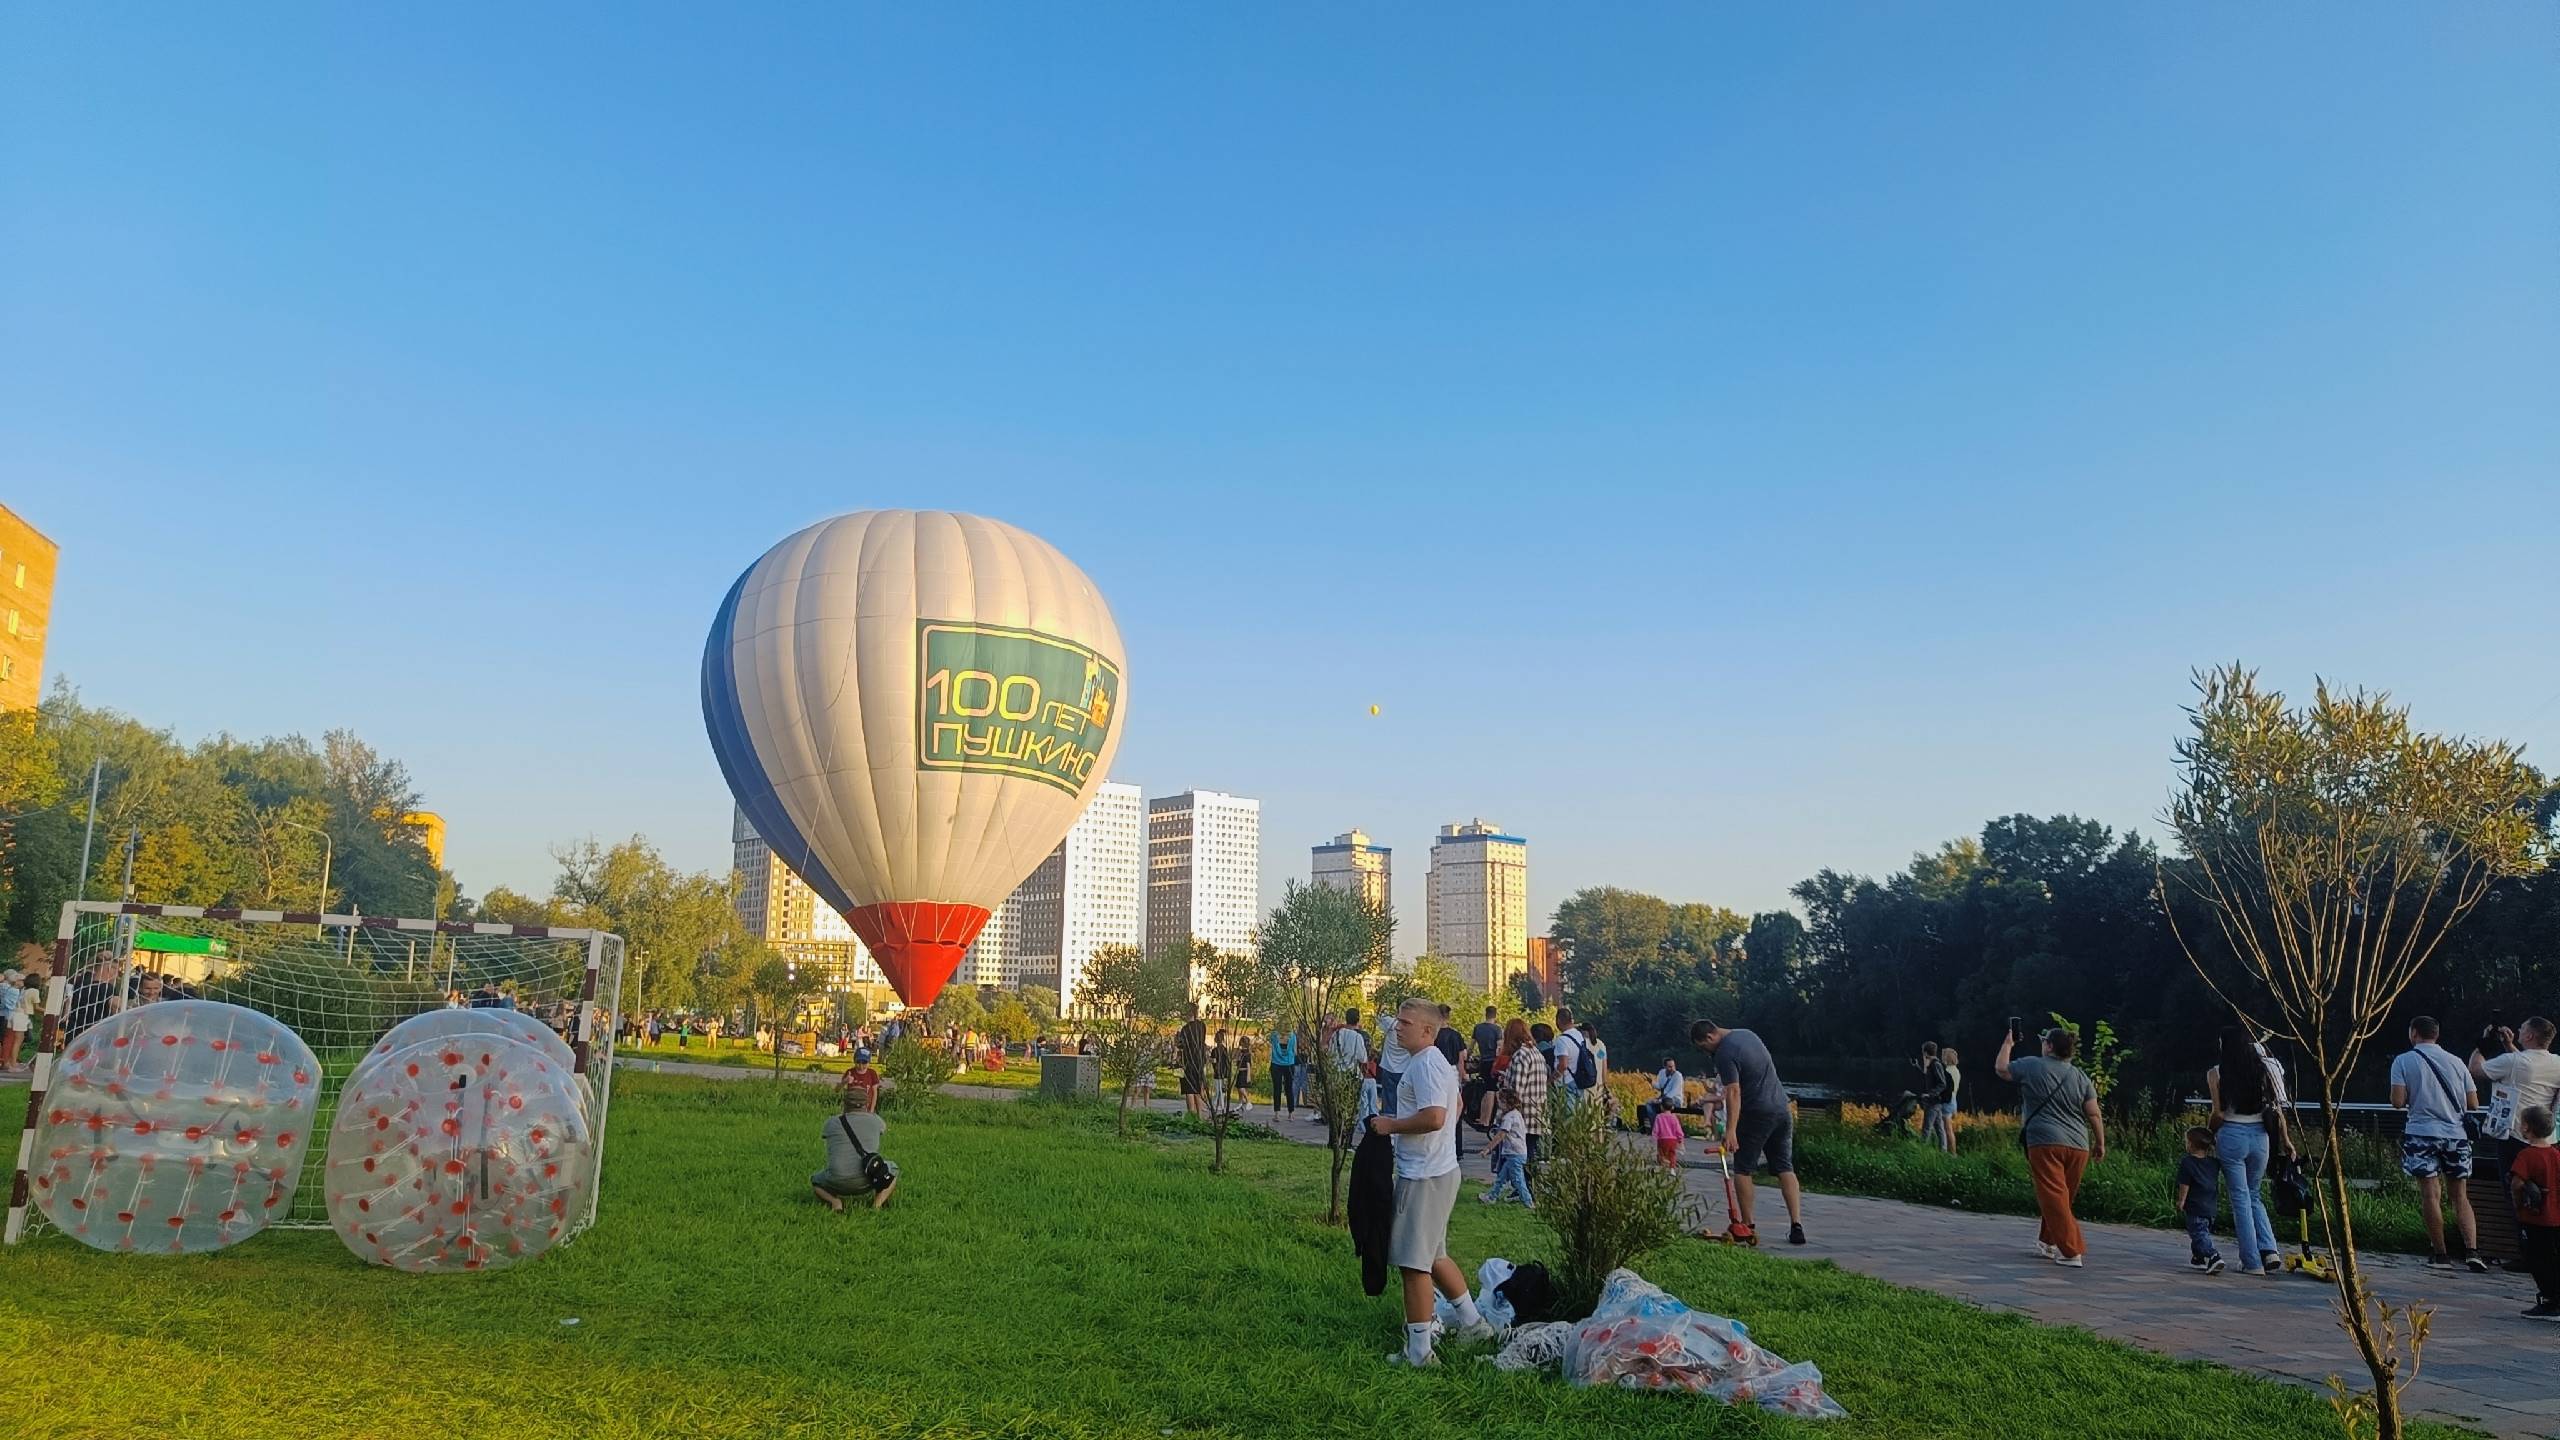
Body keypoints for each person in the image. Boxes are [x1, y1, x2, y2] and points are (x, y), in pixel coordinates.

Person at [1365, 998, 1494, 1367]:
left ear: (1426, 1030)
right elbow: (1456, 1106)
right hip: (1441, 1169)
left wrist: (1391, 1125)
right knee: (1435, 1256)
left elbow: (1436, 1117)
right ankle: (1474, 1325)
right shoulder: (1437, 1062)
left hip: (1423, 1175)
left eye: (1405, 1023)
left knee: (1413, 1264)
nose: (1397, 1028)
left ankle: (1419, 1353)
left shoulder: (1423, 1065)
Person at [1690, 1019, 1808, 1245]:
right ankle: (1796, 1225)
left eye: (1703, 1047)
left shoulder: (1725, 1053)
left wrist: (1731, 1130)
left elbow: (1733, 1093)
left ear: (1710, 1037)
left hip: (1756, 1113)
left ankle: (1747, 1225)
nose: (1706, 1053)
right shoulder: (1748, 1034)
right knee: (1785, 1166)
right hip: (1781, 1108)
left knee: (1743, 1169)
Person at [1997, 1023, 2105, 1268]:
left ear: (2048, 1046)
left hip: (2045, 1141)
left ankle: (2071, 1251)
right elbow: (2094, 1113)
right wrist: (2101, 1142)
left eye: (2044, 1041)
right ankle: (2048, 1242)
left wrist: (2008, 1043)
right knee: (2061, 1197)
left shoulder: (2033, 1065)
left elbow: (2002, 1069)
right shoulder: (2080, 1075)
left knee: (2054, 1195)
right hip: (2079, 1145)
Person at [2392, 1015, 2486, 1271]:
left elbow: (2398, 1101)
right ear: (2436, 1034)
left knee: (2431, 1194)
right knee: (2460, 1196)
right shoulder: (2456, 1062)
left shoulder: (2403, 1061)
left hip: (2422, 1132)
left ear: (2413, 1033)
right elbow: (2473, 1104)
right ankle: (2472, 1251)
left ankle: (2441, 1254)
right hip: (2457, 1135)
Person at [2207, 1025, 2294, 1277]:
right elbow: (2277, 1108)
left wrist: (2208, 1132)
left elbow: (2218, 1113)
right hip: (2261, 1137)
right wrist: (2286, 1139)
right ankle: (2270, 1250)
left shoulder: (2217, 1073)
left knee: (2240, 1198)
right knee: (2254, 1194)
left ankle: (2251, 1261)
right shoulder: (2264, 1069)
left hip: (2232, 1135)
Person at [2476, 1018, 2560, 1182]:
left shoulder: (2513, 1061)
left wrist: (2483, 1044)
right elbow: (2525, 1065)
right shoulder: (2557, 1062)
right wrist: (2508, 1045)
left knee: (2515, 1191)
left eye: (2522, 1028)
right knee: (2542, 1191)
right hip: (2546, 1139)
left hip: (2516, 1135)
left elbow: (2476, 1070)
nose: (2518, 1031)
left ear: (2529, 1036)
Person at [2508, 1104, 2560, 1321]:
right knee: (2554, 1258)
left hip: (2535, 1217)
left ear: (2527, 1128)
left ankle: (2551, 1300)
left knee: (2537, 1259)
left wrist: (2518, 1205)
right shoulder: (2556, 1154)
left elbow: (2517, 1184)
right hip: (2557, 1217)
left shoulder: (2526, 1155)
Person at [812, 1091, 898, 1211]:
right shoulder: (876, 1120)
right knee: (893, 1168)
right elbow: (882, 1129)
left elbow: (826, 1135)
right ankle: (877, 1205)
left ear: (844, 1104)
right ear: (866, 1104)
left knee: (816, 1180)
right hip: (869, 1179)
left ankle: (835, 1202)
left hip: (836, 1180)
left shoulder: (832, 1122)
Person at [2174, 1125, 2227, 1275]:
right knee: (2202, 1232)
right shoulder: (2214, 1163)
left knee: (2198, 1233)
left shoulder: (2187, 1162)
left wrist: (2181, 1201)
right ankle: (2198, 1257)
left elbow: (2185, 1184)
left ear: (2190, 1144)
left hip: (2195, 1206)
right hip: (2211, 1207)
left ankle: (2212, 1256)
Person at [1480, 1090, 1533, 1207]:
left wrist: (1488, 1149)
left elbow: (1501, 1135)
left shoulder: (1509, 1118)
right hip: (1516, 1153)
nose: (1498, 1104)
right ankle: (1492, 1196)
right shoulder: (1517, 1114)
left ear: (1506, 1103)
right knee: (1501, 1178)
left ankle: (1528, 1202)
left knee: (1518, 1180)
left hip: (1514, 1154)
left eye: (1500, 1101)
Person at [1512, 1022, 1552, 1172]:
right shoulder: (1537, 1053)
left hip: (1524, 1114)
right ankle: (1529, 1186)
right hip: (1537, 1111)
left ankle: (1524, 1189)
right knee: (1531, 1151)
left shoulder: (1521, 1055)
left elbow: (1517, 1089)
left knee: (1522, 1153)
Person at [65, 960, 120, 1038]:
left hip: (73, 1034)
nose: (117, 976)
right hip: (95, 1036)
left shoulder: (79, 984)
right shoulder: (108, 988)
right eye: (117, 971)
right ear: (109, 969)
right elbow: (116, 1006)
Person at [1927, 1046, 1963, 1154]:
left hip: (1947, 1101)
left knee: (1947, 1129)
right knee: (1947, 1128)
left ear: (1947, 1058)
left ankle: (1952, 1154)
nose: (1941, 1058)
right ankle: (1948, 1152)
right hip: (1953, 1099)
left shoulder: (1947, 1071)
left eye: (1943, 1056)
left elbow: (1944, 1086)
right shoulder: (1956, 1070)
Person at [1176, 1005, 1210, 1119]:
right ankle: (1200, 1114)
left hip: (1188, 1061)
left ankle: (1191, 1113)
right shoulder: (1202, 1026)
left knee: (1188, 1089)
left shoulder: (1185, 1029)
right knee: (1198, 1087)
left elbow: (1181, 1045)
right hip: (1200, 1060)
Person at [1549, 1008, 1587, 1107]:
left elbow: (1563, 1064)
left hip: (1566, 1083)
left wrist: (1551, 1079)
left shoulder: (1562, 1040)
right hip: (1579, 1080)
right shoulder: (1579, 1035)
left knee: (1568, 1118)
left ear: (1558, 1021)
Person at [1640, 1057, 1686, 1131]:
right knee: (1648, 1104)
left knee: (1663, 1104)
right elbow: (1660, 1087)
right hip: (1663, 1097)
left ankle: (1663, 1128)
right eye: (1670, 1067)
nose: (1673, 1068)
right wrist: (1651, 1082)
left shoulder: (1678, 1075)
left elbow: (1673, 1092)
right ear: (1665, 1067)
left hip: (1675, 1099)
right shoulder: (1661, 1073)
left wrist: (1660, 1100)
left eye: (1673, 1066)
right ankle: (1655, 1127)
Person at [0, 968, 27, 1070]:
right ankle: (6, 1061)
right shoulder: (11, 989)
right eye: (16, 977)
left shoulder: (6, 987)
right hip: (10, 1015)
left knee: (5, 1038)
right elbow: (11, 1004)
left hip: (5, 1014)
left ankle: (5, 1060)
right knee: (9, 1038)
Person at [1270, 1025, 1300, 1115]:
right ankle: (1291, 1113)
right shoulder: (1293, 1036)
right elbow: (1295, 1052)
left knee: (1277, 1088)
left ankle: (1277, 1113)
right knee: (1289, 1089)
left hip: (1276, 1064)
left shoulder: (1274, 1035)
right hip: (1289, 1064)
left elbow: (1271, 1044)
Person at [1652, 1104, 1686, 1170]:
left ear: (1661, 1107)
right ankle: (1672, 1169)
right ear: (1672, 1107)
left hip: (1662, 1139)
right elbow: (1678, 1129)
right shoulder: (1674, 1117)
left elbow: (1656, 1129)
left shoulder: (1659, 1117)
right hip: (1673, 1140)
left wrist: (1654, 1137)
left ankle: (1661, 1167)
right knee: (1672, 1154)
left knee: (1661, 1153)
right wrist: (1680, 1139)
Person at [1209, 1027, 1232, 1109]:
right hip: (1224, 1072)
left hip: (1217, 1072)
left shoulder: (1214, 1050)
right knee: (1221, 1090)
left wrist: (1210, 1060)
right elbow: (1227, 1062)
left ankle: (1219, 1105)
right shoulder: (1225, 1050)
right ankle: (1218, 1104)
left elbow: (1214, 1061)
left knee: (1218, 1090)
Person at [1233, 1032, 1256, 1109]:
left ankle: (1248, 1100)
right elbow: (1237, 1061)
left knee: (1241, 1087)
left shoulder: (1247, 1054)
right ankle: (1240, 1102)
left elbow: (1248, 1065)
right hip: (1239, 1071)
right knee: (1239, 1088)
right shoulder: (1240, 1052)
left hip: (1244, 1072)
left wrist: (1248, 1076)